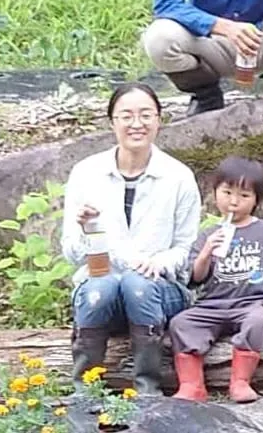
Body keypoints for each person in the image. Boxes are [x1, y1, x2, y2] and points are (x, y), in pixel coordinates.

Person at [60, 83, 202, 395]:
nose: (136, 124)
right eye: (126, 116)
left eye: (145, 115)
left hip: (160, 291)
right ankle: (85, 389)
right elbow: (71, 253)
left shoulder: (178, 177)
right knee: (103, 285)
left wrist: (157, 263)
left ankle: (147, 389)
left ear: (159, 120)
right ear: (112, 122)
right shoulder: (86, 173)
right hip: (102, 290)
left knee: (136, 284)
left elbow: (185, 248)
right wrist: (84, 230)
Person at [170, 157, 263, 404]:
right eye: (227, 192)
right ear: (215, 193)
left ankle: (240, 382)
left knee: (256, 321)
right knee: (181, 323)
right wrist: (207, 252)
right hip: (212, 303)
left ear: (256, 200)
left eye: (243, 196)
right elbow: (195, 278)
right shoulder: (208, 233)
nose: (233, 202)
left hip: (252, 301)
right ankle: (191, 385)